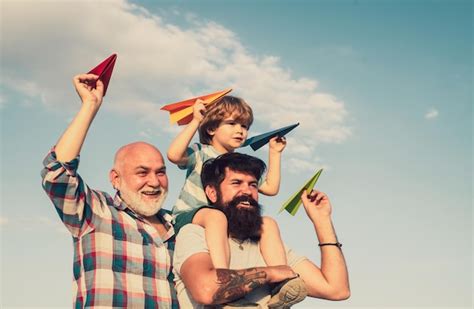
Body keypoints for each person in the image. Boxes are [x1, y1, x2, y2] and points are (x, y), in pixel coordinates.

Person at [41, 73, 178, 308]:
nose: (154, 182)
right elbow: (57, 173)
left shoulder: (176, 225)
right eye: (142, 172)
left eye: (161, 172)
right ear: (115, 179)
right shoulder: (96, 211)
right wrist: (90, 105)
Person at [173, 153, 350, 308]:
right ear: (212, 193)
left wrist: (322, 220)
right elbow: (206, 290)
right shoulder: (194, 234)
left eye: (253, 185)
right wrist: (271, 273)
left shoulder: (268, 245)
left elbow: (337, 289)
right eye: (236, 183)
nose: (247, 191)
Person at [167, 96, 288, 269]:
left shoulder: (240, 164)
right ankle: (222, 275)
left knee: (268, 224)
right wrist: (195, 121)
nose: (240, 130)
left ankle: (282, 276)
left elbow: (270, 188)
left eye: (244, 126)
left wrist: (275, 153)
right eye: (232, 124)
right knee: (216, 217)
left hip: (224, 221)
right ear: (211, 128)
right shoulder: (201, 151)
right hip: (190, 216)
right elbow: (174, 155)